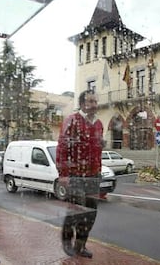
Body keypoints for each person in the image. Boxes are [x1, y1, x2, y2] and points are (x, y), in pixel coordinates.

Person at [56, 89, 104, 258]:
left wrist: (99, 171)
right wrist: (63, 174)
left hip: (93, 176)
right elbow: (62, 147)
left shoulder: (98, 124)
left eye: (95, 102)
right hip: (75, 175)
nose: (94, 105)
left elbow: (97, 150)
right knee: (76, 210)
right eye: (90, 101)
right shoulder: (73, 120)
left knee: (91, 213)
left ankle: (80, 245)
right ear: (82, 103)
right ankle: (67, 241)